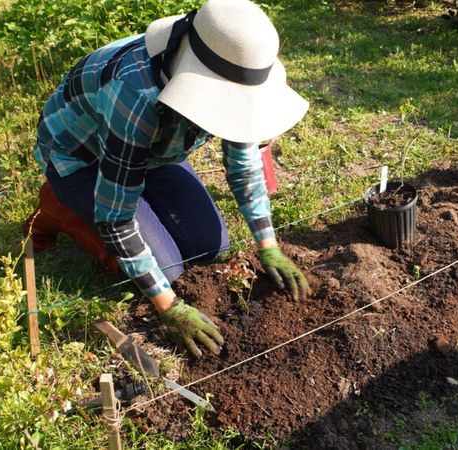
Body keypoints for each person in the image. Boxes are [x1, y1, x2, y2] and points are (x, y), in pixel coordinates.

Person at [24, 0, 311, 358]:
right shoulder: (133, 91)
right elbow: (116, 219)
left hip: (153, 152)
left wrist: (268, 245)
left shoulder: (231, 64)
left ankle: (127, 196)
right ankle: (56, 204)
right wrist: (170, 307)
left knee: (211, 247)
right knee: (168, 271)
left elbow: (244, 162)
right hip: (82, 156)